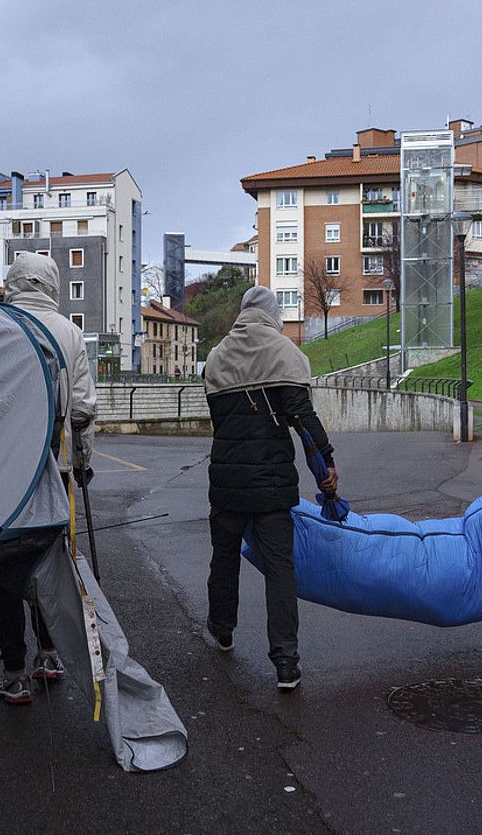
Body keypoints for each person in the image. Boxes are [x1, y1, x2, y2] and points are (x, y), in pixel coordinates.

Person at [202, 286, 338, 691]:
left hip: (226, 480)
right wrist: (326, 467)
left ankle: (222, 628)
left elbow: (219, 420)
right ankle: (285, 662)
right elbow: (303, 421)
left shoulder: (216, 357)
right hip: (272, 484)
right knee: (280, 569)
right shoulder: (284, 353)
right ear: (273, 314)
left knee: (223, 559)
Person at [0, 251, 98, 704]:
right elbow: (83, 409)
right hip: (59, 471)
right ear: (52, 285)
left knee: (3, 570)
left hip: (4, 475)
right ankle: (49, 654)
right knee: (52, 563)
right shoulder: (70, 332)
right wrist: (83, 462)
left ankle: (13, 671)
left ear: (13, 282)